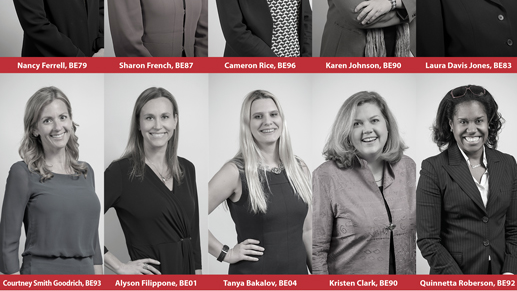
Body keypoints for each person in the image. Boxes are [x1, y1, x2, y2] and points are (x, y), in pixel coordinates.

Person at [417, 85, 517, 274]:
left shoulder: (508, 164)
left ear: (488, 122)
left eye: (479, 120)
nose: (472, 130)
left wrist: (509, 274)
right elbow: (428, 240)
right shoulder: (433, 168)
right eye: (463, 122)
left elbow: (515, 228)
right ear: (451, 124)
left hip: (500, 273)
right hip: (454, 277)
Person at [0, 87, 102, 274]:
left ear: (70, 121)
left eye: (62, 117)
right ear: (34, 129)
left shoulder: (86, 171)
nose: (57, 127)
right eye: (47, 120)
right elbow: (8, 242)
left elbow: (93, 239)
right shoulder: (23, 172)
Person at [208, 90, 312, 273]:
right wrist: (226, 253)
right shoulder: (235, 171)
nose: (267, 122)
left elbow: (308, 231)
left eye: (273, 114)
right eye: (258, 116)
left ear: (281, 119)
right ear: (247, 124)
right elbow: (190, 216)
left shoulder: (299, 168)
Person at [312, 91, 416, 274]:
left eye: (374, 120)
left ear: (387, 126)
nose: (367, 129)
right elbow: (318, 251)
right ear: (347, 132)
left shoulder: (408, 167)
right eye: (357, 124)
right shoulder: (326, 176)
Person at [104, 87, 201, 274]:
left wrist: (198, 274)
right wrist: (119, 266)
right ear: (138, 124)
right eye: (149, 118)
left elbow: (193, 232)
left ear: (175, 121)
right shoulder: (121, 172)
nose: (158, 125)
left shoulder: (187, 168)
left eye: (165, 117)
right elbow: (83, 222)